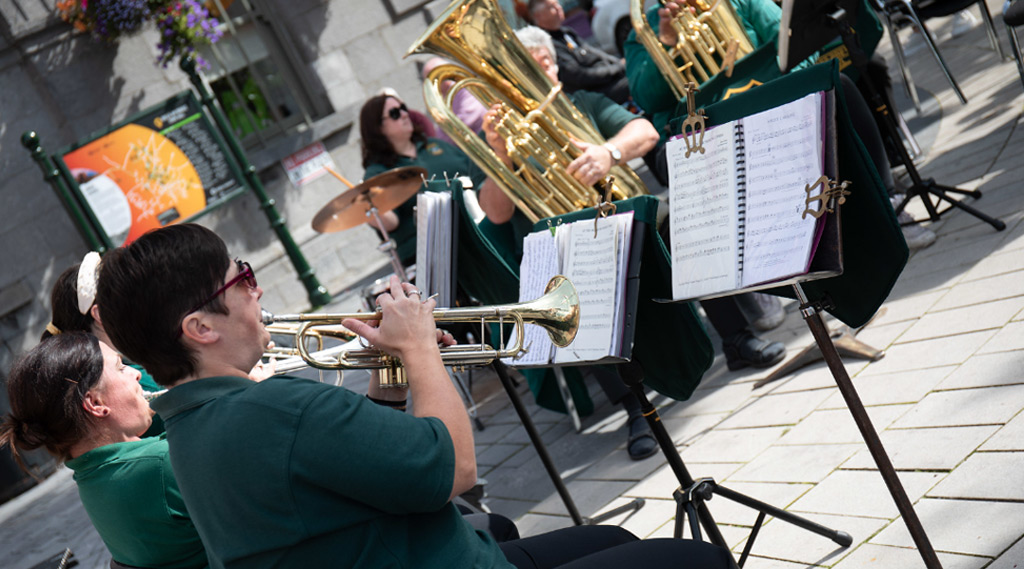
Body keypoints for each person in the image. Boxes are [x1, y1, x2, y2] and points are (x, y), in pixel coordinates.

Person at [95, 223, 732, 568]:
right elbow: (455, 467)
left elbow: (348, 469)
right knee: (688, 561)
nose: (257, 291)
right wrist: (423, 349)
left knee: (615, 542)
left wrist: (394, 375)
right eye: (243, 279)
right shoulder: (276, 406)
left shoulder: (191, 428)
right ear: (201, 328)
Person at [495, 26, 787, 374]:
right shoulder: (502, 134)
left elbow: (646, 132)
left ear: (548, 63)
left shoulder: (583, 103)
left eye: (522, 67)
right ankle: (635, 406)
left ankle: (736, 339)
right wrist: (499, 155)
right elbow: (496, 214)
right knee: (561, 285)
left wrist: (609, 151)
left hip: (625, 216)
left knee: (678, 222)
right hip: (568, 242)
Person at [625, 0, 935, 249]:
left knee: (841, 85)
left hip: (769, 99)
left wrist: (793, 90)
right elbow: (647, 98)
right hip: (706, 129)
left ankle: (888, 203)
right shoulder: (644, 31)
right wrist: (666, 42)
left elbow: (793, 44)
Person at [0, 332, 209, 569]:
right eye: (121, 368)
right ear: (96, 404)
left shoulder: (92, 478)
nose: (136, 373)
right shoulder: (163, 464)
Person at [359, 92, 492, 264]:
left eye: (403, 108)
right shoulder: (377, 174)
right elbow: (391, 223)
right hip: (436, 255)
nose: (405, 114)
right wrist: (366, 207)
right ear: (378, 128)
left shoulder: (435, 145)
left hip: (482, 230)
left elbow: (476, 175)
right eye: (395, 113)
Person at [526, 0, 632, 104]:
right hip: (595, 93)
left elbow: (596, 53)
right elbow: (580, 76)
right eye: (551, 7)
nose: (558, 8)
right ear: (538, 16)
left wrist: (619, 64)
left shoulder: (566, 32)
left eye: (557, 4)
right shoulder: (549, 45)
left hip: (609, 79)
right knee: (635, 80)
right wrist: (617, 69)